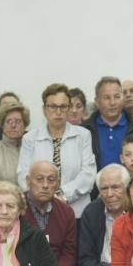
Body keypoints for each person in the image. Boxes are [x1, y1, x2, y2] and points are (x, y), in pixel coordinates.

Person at [18, 83, 97, 218]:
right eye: (53, 107)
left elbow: (88, 175)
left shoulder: (83, 135)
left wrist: (61, 195)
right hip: (39, 210)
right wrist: (44, 197)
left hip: (76, 211)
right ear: (44, 109)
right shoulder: (29, 138)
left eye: (63, 106)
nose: (58, 112)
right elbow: (23, 175)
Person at [22, 161, 79, 266]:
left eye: (51, 180)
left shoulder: (66, 212)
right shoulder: (16, 208)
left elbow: (69, 252)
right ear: (28, 181)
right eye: (39, 179)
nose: (45, 185)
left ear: (58, 183)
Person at [77, 164, 130, 266]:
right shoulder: (91, 212)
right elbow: (85, 257)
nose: (110, 194)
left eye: (115, 187)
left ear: (127, 187)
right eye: (104, 189)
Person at [83, 76, 133, 169]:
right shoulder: (85, 130)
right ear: (97, 101)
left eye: (117, 97)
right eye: (107, 98)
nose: (113, 102)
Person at [0, 102, 30, 186]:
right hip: (5, 198)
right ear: (2, 126)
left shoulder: (34, 147)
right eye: (8, 121)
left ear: (25, 125)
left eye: (18, 121)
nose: (13, 125)